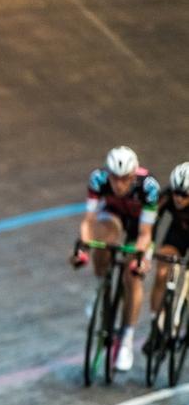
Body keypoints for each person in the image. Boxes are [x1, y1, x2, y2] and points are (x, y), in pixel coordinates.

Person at [71, 146, 160, 372]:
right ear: (108, 174)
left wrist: (139, 257)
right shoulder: (98, 180)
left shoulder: (148, 187)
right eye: (115, 179)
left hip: (139, 227)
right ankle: (101, 284)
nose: (119, 185)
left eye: (125, 180)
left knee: (133, 276)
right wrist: (84, 249)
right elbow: (88, 221)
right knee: (103, 238)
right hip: (114, 217)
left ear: (133, 175)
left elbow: (145, 234)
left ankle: (126, 340)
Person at [148, 162, 189, 323]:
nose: (178, 198)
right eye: (176, 193)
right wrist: (150, 246)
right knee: (161, 272)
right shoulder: (166, 195)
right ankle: (156, 323)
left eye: (184, 195)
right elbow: (151, 221)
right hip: (177, 236)